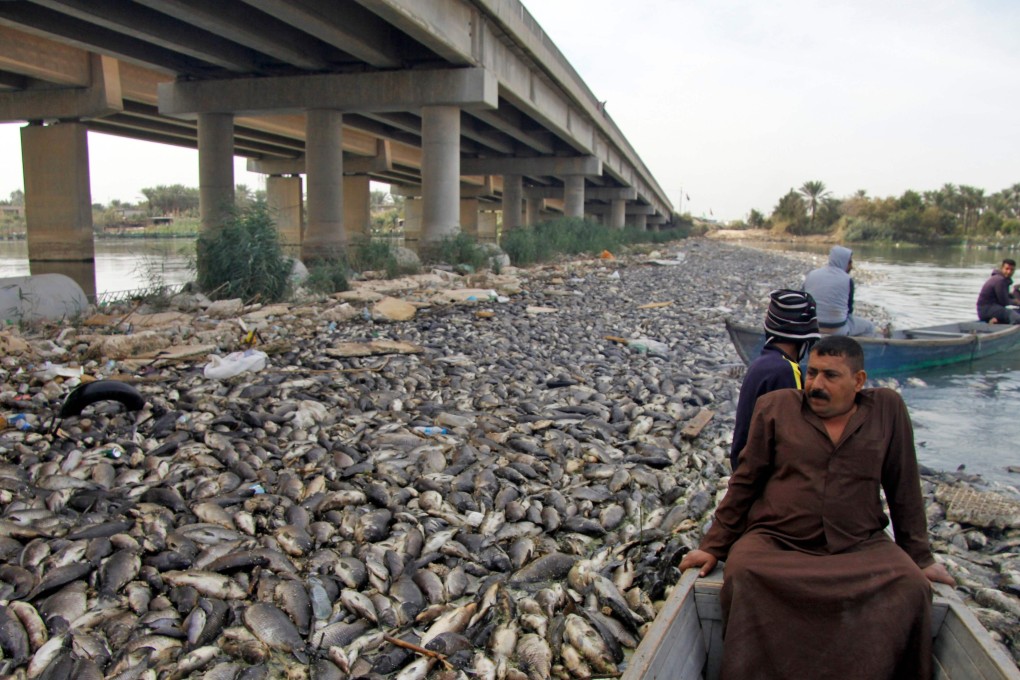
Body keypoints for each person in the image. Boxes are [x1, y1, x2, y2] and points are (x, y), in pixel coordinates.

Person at [680, 335, 954, 680]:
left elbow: (904, 487)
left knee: (911, 586)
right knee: (744, 574)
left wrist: (922, 557)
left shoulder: (887, 409)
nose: (816, 384)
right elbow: (745, 482)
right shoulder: (776, 407)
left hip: (859, 543)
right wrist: (713, 547)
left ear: (858, 381)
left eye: (830, 376)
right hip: (778, 539)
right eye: (812, 373)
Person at [729, 289, 819, 470]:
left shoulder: (762, 363)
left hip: (742, 464)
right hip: (760, 473)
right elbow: (793, 436)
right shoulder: (787, 370)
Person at [803, 245, 875, 336]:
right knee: (870, 327)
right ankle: (857, 349)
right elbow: (849, 310)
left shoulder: (811, 274)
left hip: (810, 327)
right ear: (843, 261)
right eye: (850, 262)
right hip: (837, 329)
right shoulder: (847, 279)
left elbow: (803, 301)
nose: (851, 266)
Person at [976, 258, 1020, 324]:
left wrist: (1014, 296)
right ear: (1002, 268)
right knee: (1016, 318)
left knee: (1016, 312)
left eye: (1012, 270)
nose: (1009, 272)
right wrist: (1016, 302)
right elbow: (1004, 302)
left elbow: (1005, 295)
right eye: (1007, 269)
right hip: (987, 310)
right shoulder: (1000, 281)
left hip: (990, 309)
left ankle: (995, 320)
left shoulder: (1001, 279)